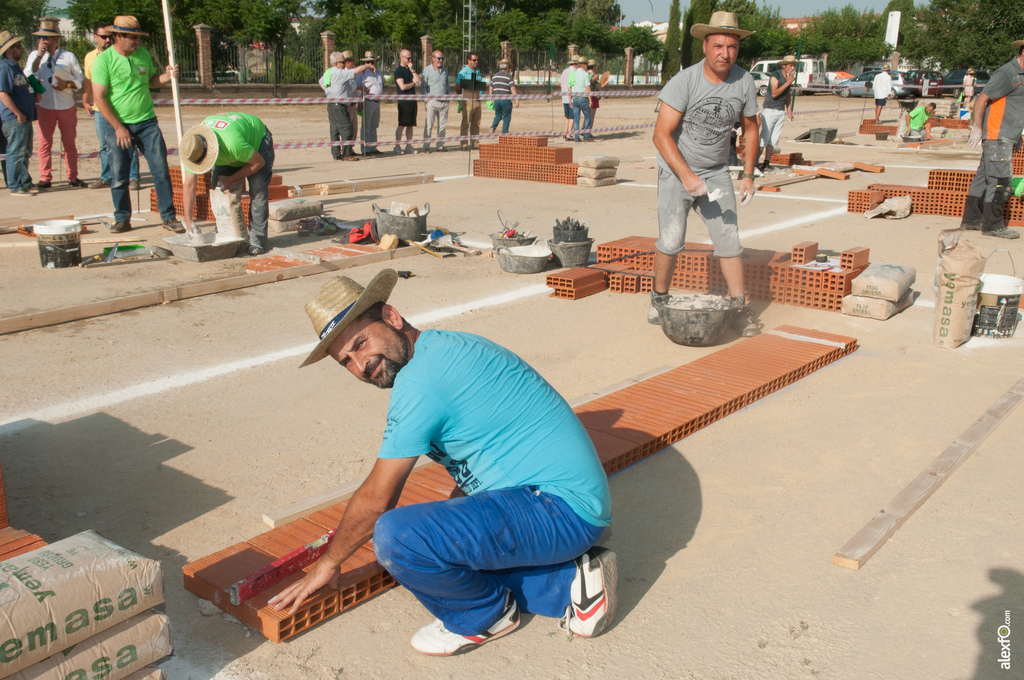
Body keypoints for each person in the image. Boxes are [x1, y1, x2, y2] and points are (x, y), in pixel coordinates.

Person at [269, 269, 617, 656]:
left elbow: (377, 501)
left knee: (398, 538)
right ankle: (572, 584)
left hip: (558, 509)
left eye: (361, 343)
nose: (360, 365)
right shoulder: (438, 349)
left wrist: (328, 563)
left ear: (392, 317)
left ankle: (484, 616)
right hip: (560, 503)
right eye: (346, 361)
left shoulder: (421, 382)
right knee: (444, 550)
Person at [649, 11, 762, 337]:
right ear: (705, 46)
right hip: (676, 171)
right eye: (718, 46)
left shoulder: (744, 82)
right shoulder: (684, 82)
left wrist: (749, 174)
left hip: (715, 172)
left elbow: (751, 129)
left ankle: (739, 306)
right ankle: (659, 298)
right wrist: (685, 176)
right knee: (671, 240)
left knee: (729, 240)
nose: (724, 53)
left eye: (731, 47)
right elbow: (661, 135)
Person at [91, 15, 182, 234]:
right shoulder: (103, 61)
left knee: (161, 171)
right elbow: (99, 98)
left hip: (147, 123)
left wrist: (167, 77)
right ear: (118, 36)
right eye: (133, 38)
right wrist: (118, 127)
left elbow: (151, 81)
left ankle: (169, 217)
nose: (137, 42)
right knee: (120, 175)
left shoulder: (142, 55)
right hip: (118, 125)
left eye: (139, 37)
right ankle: (122, 219)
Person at [179, 113, 275, 255]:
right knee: (219, 192)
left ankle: (257, 241)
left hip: (257, 142)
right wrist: (188, 221)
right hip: (232, 150)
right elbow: (189, 185)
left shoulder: (232, 144)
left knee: (258, 191)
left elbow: (258, 163)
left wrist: (232, 178)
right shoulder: (192, 149)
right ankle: (225, 234)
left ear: (211, 151)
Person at [959, 38, 1024, 240]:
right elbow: (982, 99)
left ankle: (972, 219)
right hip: (998, 136)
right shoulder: (1007, 73)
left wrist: (1018, 133)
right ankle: (993, 225)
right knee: (1000, 180)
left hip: (1006, 135)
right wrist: (977, 128)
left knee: (984, 176)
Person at [24, 16, 86, 189]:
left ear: (56, 39)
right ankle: (45, 177)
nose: (42, 40)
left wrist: (68, 84)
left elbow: (80, 78)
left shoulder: (69, 56)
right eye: (40, 37)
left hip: (66, 105)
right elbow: (29, 73)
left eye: (46, 37)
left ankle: (72, 176)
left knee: (69, 143)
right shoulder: (34, 56)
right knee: (44, 143)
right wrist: (38, 55)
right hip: (45, 106)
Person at [83, 22, 140, 191]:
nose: (107, 40)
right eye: (103, 37)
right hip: (101, 110)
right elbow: (88, 80)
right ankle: (107, 176)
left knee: (129, 142)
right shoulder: (90, 57)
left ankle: (133, 177)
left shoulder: (124, 55)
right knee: (104, 145)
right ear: (95, 38)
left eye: (109, 36)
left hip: (121, 110)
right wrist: (85, 99)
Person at [0, 30, 39, 196]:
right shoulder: (4, 68)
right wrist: (18, 113)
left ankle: (24, 181)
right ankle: (16, 185)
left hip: (23, 116)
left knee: (24, 152)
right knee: (15, 152)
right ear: (9, 50)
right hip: (15, 118)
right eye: (18, 46)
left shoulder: (15, 67)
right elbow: (3, 93)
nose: (22, 49)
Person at [319, 51, 370, 162]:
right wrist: (367, 65)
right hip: (339, 105)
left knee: (335, 130)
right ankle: (347, 154)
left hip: (332, 104)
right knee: (347, 128)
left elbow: (321, 82)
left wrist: (329, 92)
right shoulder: (339, 73)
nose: (344, 64)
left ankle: (336, 153)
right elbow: (356, 71)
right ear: (337, 63)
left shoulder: (329, 72)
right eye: (343, 62)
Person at [757, 54, 796, 170]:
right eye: (791, 65)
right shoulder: (776, 75)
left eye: (794, 65)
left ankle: (766, 163)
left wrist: (789, 111)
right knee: (764, 137)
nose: (793, 68)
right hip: (770, 110)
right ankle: (754, 163)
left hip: (780, 111)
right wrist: (788, 83)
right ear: (784, 66)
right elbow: (774, 93)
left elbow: (787, 95)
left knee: (774, 139)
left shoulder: (788, 78)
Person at [420, 50, 449, 152]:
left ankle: (440, 145)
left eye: (442, 58)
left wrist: (448, 98)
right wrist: (426, 101)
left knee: (442, 126)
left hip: (444, 102)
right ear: (433, 58)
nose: (440, 61)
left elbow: (447, 85)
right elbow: (423, 87)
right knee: (429, 124)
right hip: (432, 101)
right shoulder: (426, 70)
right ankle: (426, 146)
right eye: (438, 58)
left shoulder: (445, 70)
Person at [355, 51, 383, 155]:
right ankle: (365, 149)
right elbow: (358, 87)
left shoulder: (379, 72)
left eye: (372, 61)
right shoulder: (362, 73)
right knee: (366, 126)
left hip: (377, 101)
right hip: (367, 100)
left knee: (374, 126)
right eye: (368, 62)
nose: (371, 64)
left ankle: (373, 147)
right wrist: (360, 102)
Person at [394, 49, 420, 155]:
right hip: (404, 101)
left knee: (410, 125)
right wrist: (413, 83)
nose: (410, 60)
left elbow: (419, 81)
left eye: (410, 58)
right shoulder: (398, 71)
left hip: (412, 100)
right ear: (401, 58)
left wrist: (412, 70)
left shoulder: (410, 70)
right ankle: (397, 146)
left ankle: (409, 146)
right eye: (407, 58)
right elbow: (402, 87)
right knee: (402, 124)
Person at [457, 52, 485, 150]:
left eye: (477, 60)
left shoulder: (478, 71)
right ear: (468, 60)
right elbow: (457, 85)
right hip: (467, 100)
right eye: (474, 60)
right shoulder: (463, 72)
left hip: (477, 99)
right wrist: (461, 98)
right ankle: (464, 144)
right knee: (466, 122)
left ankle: (475, 143)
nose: (476, 62)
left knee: (476, 123)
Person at [488, 59, 517, 134]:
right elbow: (512, 88)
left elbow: (490, 87)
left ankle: (492, 127)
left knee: (498, 115)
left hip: (497, 100)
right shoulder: (508, 77)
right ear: (507, 68)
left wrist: (491, 97)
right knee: (506, 117)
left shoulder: (494, 76)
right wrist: (516, 99)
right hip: (505, 100)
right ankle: (504, 133)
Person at [568, 56, 591, 142]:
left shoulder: (572, 74)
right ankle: (586, 135)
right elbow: (587, 88)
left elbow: (569, 88)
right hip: (583, 98)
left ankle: (576, 137)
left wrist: (570, 99)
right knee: (588, 117)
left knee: (576, 118)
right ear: (584, 65)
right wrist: (591, 100)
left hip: (575, 98)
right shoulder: (585, 74)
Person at [559, 57, 577, 141]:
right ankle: (569, 134)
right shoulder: (574, 72)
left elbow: (560, 82)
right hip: (571, 97)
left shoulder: (564, 71)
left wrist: (564, 89)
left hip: (564, 96)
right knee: (572, 117)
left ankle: (565, 132)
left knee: (566, 116)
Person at [586, 59, 601, 136]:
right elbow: (598, 87)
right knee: (591, 116)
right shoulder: (595, 76)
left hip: (585, 95)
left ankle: (583, 130)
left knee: (587, 115)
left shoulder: (585, 74)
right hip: (593, 95)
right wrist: (604, 84)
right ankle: (588, 132)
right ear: (594, 66)